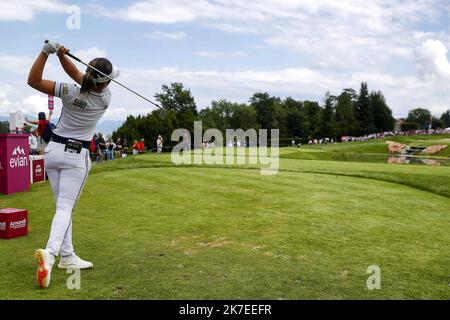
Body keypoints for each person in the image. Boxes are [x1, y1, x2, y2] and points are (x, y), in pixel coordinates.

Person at [27, 40, 119, 288]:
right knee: (65, 208)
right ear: (107, 81)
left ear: (88, 73)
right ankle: (52, 253)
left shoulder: (68, 90)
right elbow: (81, 76)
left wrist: (50, 53)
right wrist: (60, 55)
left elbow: (34, 81)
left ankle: (67, 256)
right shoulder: (105, 98)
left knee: (61, 208)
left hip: (53, 151)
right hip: (76, 156)